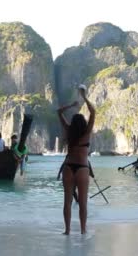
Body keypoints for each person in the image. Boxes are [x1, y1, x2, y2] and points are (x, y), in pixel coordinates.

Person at [58, 85, 95, 235]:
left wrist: (72, 105)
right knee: (83, 204)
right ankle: (83, 230)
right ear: (84, 124)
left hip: (68, 168)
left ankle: (67, 230)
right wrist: (84, 97)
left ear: (73, 124)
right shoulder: (86, 134)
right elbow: (93, 112)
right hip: (82, 169)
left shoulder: (68, 131)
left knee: (67, 202)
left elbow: (59, 112)